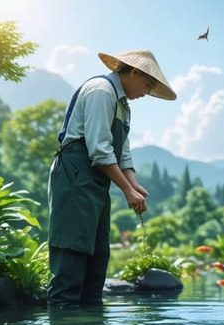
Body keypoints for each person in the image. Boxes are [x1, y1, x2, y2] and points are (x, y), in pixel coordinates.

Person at [47, 49, 176, 307]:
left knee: (97, 258)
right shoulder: (101, 91)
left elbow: (123, 153)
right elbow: (99, 149)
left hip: (96, 184)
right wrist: (127, 191)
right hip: (74, 178)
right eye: (147, 85)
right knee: (72, 257)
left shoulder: (123, 106)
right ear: (134, 72)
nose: (146, 92)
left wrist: (134, 184)